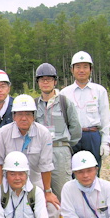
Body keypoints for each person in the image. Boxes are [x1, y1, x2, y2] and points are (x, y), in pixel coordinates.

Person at [0, 94, 60, 218]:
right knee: (3, 208)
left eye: (28, 114)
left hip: (35, 181)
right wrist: (1, 189)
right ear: (13, 116)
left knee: (52, 209)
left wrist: (47, 192)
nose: (24, 118)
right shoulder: (3, 133)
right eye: (20, 114)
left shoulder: (43, 133)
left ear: (34, 116)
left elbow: (46, 165)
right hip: (10, 182)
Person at [34, 63, 82, 201]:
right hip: (40, 153)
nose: (45, 82)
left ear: (55, 81)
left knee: (63, 192)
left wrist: (64, 144)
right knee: (40, 192)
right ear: (38, 83)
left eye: (49, 79)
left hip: (61, 152)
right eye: (42, 79)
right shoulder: (34, 104)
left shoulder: (65, 102)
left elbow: (76, 129)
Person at [60, 51, 110, 174]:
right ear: (72, 70)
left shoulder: (99, 91)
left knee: (93, 171)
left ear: (91, 69)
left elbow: (105, 117)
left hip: (92, 135)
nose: (81, 70)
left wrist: (105, 142)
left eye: (85, 67)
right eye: (78, 67)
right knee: (72, 171)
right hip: (72, 137)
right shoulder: (64, 93)